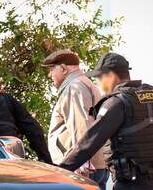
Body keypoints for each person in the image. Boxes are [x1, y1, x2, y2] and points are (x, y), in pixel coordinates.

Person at [59, 53, 153, 190]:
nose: (98, 84)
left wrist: (60, 171)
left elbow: (89, 143)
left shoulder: (116, 103)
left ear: (111, 76)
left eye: (99, 78)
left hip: (129, 184)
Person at [43, 49, 109, 190]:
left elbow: (81, 127)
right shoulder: (84, 84)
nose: (50, 75)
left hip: (82, 170)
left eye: (52, 69)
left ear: (63, 68)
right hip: (94, 165)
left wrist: (82, 165)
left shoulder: (74, 87)